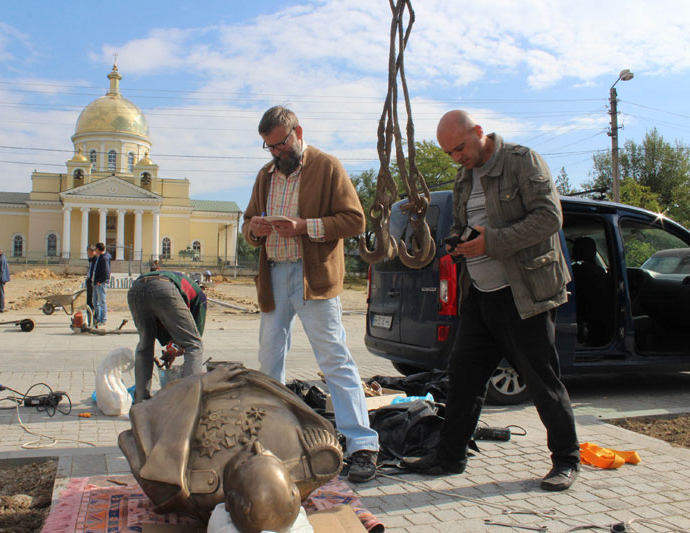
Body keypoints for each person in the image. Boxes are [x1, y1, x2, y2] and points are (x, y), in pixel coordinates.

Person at [400, 110, 581, 491]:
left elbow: (549, 218)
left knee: (542, 381)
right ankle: (449, 457)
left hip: (523, 295)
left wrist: (491, 241)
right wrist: (458, 243)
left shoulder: (522, 161)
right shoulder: (465, 176)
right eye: (449, 152)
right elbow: (460, 224)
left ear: (479, 132)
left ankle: (566, 460)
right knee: (463, 381)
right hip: (479, 295)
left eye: (460, 148)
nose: (456, 158)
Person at [242, 106, 380, 483]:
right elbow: (248, 226)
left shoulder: (327, 166)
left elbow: (354, 220)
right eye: (269, 148)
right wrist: (254, 228)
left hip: (312, 278)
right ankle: (270, 443)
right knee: (269, 364)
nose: (276, 153)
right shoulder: (265, 175)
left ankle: (362, 445)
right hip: (273, 277)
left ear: (297, 132)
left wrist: (304, 226)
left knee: (334, 359)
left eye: (280, 145)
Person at [118, 364, 342, 522]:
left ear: (230, 501)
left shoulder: (180, 486)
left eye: (250, 461)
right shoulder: (307, 466)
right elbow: (321, 435)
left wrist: (198, 386)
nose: (256, 447)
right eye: (270, 458)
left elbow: (146, 416)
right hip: (256, 386)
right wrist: (322, 460)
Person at [127, 269, 207, 403]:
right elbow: (193, 336)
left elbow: (168, 323)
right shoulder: (201, 297)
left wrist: (171, 351)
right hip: (163, 288)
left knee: (145, 346)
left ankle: (141, 402)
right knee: (194, 345)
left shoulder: (181, 283)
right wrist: (180, 346)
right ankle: (190, 402)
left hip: (136, 289)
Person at [90, 242, 111, 327]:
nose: (95, 250)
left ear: (98, 249)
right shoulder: (100, 258)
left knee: (102, 302)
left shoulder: (104, 258)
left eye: (95, 249)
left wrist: (100, 281)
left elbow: (106, 272)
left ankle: (103, 319)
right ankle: (98, 319)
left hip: (100, 284)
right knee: (95, 302)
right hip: (96, 283)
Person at [85, 245, 96, 312]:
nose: (88, 254)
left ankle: (92, 311)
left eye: (88, 252)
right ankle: (89, 310)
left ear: (93, 251)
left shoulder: (95, 260)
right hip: (89, 279)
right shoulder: (91, 260)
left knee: (92, 298)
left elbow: (94, 271)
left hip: (92, 281)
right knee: (89, 297)